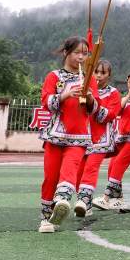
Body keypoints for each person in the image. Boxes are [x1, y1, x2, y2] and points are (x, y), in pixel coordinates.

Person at [37, 36, 98, 232]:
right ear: (66, 53)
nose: (81, 57)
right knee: (50, 177)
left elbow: (95, 108)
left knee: (70, 168)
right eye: (77, 53)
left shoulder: (90, 79)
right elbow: (46, 102)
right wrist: (65, 94)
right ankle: (46, 217)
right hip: (55, 134)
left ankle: (62, 199)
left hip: (79, 136)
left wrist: (88, 96)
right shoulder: (53, 76)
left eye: (85, 53)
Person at [93, 71, 130, 211]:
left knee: (119, 165)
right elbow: (116, 112)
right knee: (112, 166)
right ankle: (118, 200)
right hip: (121, 138)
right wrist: (127, 96)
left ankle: (106, 198)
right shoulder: (124, 99)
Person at [75, 59, 121, 217]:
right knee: (78, 171)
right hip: (81, 136)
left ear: (109, 75)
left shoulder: (113, 93)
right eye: (96, 72)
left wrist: (92, 102)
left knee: (91, 168)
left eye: (103, 72)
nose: (99, 76)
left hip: (101, 139)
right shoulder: (83, 88)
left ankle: (84, 199)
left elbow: (108, 115)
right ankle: (85, 204)